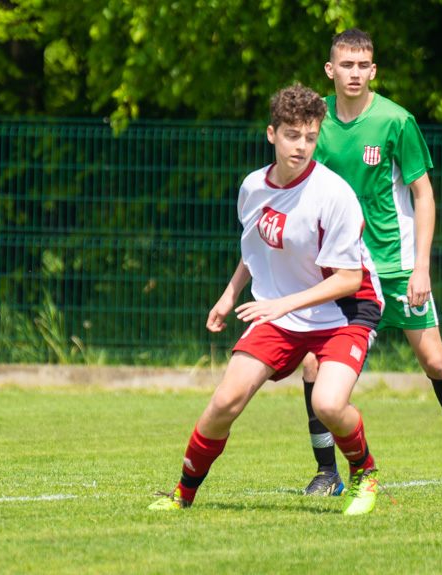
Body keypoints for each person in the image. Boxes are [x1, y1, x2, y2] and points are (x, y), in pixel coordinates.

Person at [148, 84, 388, 515]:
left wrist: (283, 304)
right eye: (292, 135)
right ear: (271, 134)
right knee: (224, 401)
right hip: (283, 311)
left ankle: (364, 472)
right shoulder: (252, 188)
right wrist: (230, 293)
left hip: (344, 311)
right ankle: (181, 496)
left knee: (328, 404)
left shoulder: (334, 195)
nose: (301, 146)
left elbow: (350, 280)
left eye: (311, 137)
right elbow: (256, 248)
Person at [299, 28, 442, 497]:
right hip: (342, 270)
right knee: (311, 366)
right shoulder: (316, 123)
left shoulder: (396, 121)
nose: (355, 73)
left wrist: (421, 266)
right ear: (330, 70)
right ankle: (327, 472)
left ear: (373, 70)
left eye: (363, 65)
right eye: (346, 65)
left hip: (397, 266)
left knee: (434, 359)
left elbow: (423, 193)